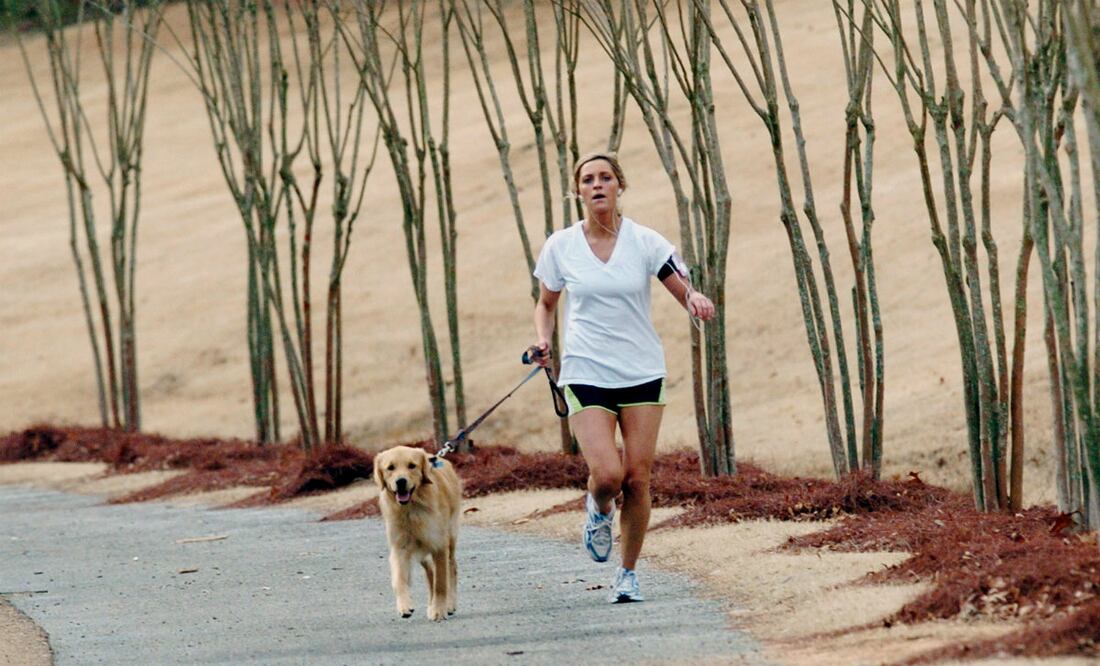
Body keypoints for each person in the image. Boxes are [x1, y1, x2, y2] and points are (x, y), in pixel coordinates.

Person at [530, 151, 716, 603]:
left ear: (619, 186)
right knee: (608, 474)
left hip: (641, 371)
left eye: (606, 178)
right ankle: (598, 508)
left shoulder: (645, 241)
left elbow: (679, 284)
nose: (597, 185)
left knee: (637, 478)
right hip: (586, 370)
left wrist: (694, 299)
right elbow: (546, 305)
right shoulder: (561, 246)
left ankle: (627, 574)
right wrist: (542, 341)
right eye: (588, 179)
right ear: (578, 191)